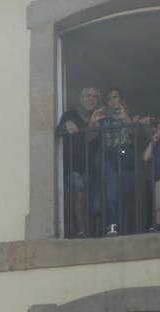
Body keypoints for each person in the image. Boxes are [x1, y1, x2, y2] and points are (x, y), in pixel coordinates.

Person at [91, 87, 141, 236]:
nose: (112, 101)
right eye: (109, 99)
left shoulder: (131, 116)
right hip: (107, 157)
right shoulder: (102, 118)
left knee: (124, 195)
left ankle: (126, 227)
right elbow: (90, 138)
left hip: (125, 158)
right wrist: (92, 122)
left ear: (121, 100)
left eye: (115, 97)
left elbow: (137, 136)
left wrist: (125, 118)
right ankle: (112, 225)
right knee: (111, 193)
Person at [56, 86, 102, 237]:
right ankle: (81, 231)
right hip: (73, 166)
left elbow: (89, 139)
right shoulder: (70, 115)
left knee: (95, 204)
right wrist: (65, 125)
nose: (91, 99)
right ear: (81, 99)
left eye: (95, 96)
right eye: (88, 95)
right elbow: (57, 131)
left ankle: (93, 232)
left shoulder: (98, 118)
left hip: (91, 167)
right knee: (79, 195)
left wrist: (94, 123)